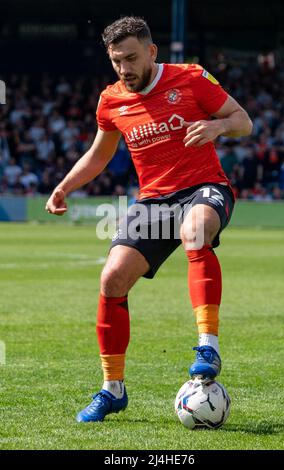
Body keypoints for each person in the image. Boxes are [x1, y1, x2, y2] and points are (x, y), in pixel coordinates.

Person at [45, 16, 252, 423]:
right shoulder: (111, 99)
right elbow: (99, 155)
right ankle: (112, 389)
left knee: (195, 231)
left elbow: (243, 121)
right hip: (154, 202)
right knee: (112, 279)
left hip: (204, 187)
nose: (125, 68)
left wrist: (218, 126)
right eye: (117, 61)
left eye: (132, 58)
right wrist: (65, 186)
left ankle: (207, 345)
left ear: (152, 51)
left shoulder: (191, 78)